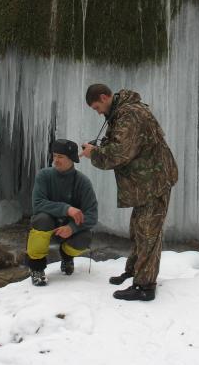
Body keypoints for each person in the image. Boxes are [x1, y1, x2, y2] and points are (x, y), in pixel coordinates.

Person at [81, 84, 178, 301]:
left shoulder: (129, 114)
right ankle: (134, 270)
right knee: (138, 228)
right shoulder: (121, 112)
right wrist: (98, 146)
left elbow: (119, 153)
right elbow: (120, 142)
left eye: (97, 107)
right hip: (144, 182)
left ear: (105, 97)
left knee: (148, 234)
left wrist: (94, 154)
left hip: (154, 182)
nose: (97, 112)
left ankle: (145, 286)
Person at [26, 138, 98, 286]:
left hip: (68, 229)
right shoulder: (44, 176)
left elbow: (92, 214)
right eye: (54, 155)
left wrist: (72, 228)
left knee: (85, 237)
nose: (56, 160)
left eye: (61, 157)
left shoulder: (83, 182)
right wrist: (67, 209)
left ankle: (66, 257)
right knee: (41, 219)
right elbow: (38, 204)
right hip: (48, 225)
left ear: (71, 159)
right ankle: (37, 268)